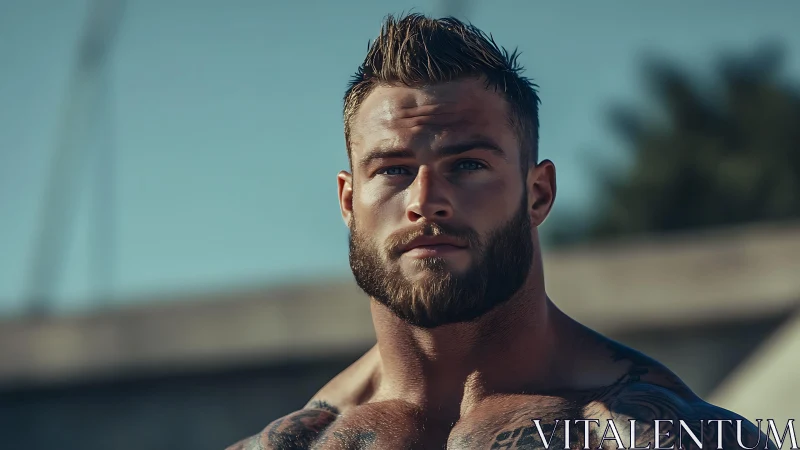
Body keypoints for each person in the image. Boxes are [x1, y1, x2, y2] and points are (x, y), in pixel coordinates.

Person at [227, 14, 776, 450]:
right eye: (393, 170)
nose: (424, 202)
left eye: (467, 165)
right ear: (349, 200)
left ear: (538, 194)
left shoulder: (651, 433)